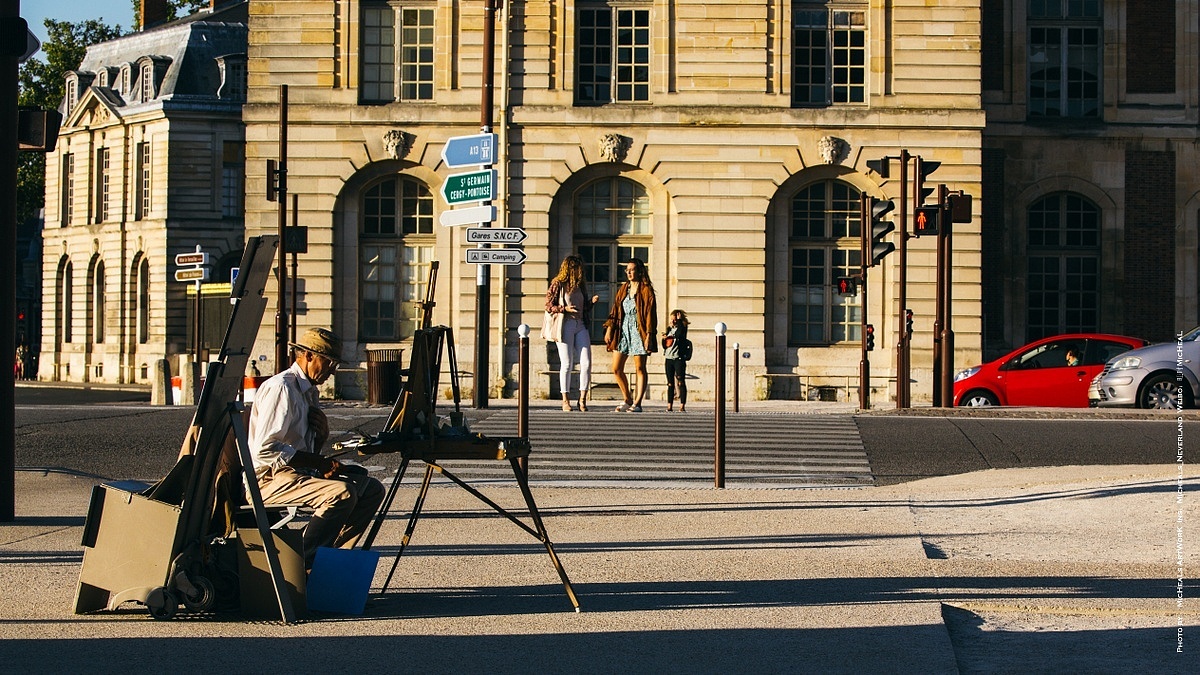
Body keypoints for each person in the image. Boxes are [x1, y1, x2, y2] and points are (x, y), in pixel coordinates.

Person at [247, 327, 385, 568]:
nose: (332, 371)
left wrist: (321, 440)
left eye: (335, 365)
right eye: (329, 363)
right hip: (267, 480)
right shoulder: (282, 388)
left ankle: (331, 558)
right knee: (341, 493)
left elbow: (303, 451)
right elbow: (264, 450)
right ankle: (300, 562)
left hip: (295, 474)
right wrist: (317, 463)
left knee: (371, 488)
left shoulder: (308, 392)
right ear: (308, 356)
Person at [545, 255, 599, 411]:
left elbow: (584, 308)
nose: (577, 271)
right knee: (567, 363)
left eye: (578, 268)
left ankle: (582, 399)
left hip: (580, 323)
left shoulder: (580, 286)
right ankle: (565, 400)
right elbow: (548, 305)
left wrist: (591, 303)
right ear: (567, 268)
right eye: (574, 267)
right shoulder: (558, 284)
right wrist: (564, 309)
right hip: (565, 324)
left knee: (586, 362)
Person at [604, 258, 657, 412]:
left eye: (632, 269)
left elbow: (650, 315)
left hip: (638, 331)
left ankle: (638, 403)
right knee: (616, 368)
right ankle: (627, 398)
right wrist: (609, 328)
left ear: (639, 271)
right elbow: (615, 310)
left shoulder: (646, 290)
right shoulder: (624, 288)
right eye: (627, 269)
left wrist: (649, 334)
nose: (629, 272)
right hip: (622, 331)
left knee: (640, 368)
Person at [661, 309, 689, 412]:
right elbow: (665, 344)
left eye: (674, 320)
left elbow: (679, 335)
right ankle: (669, 405)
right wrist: (664, 338)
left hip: (679, 358)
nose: (672, 322)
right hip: (669, 358)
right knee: (670, 383)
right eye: (671, 320)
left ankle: (682, 405)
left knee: (681, 381)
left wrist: (680, 321)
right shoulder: (669, 329)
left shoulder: (682, 328)